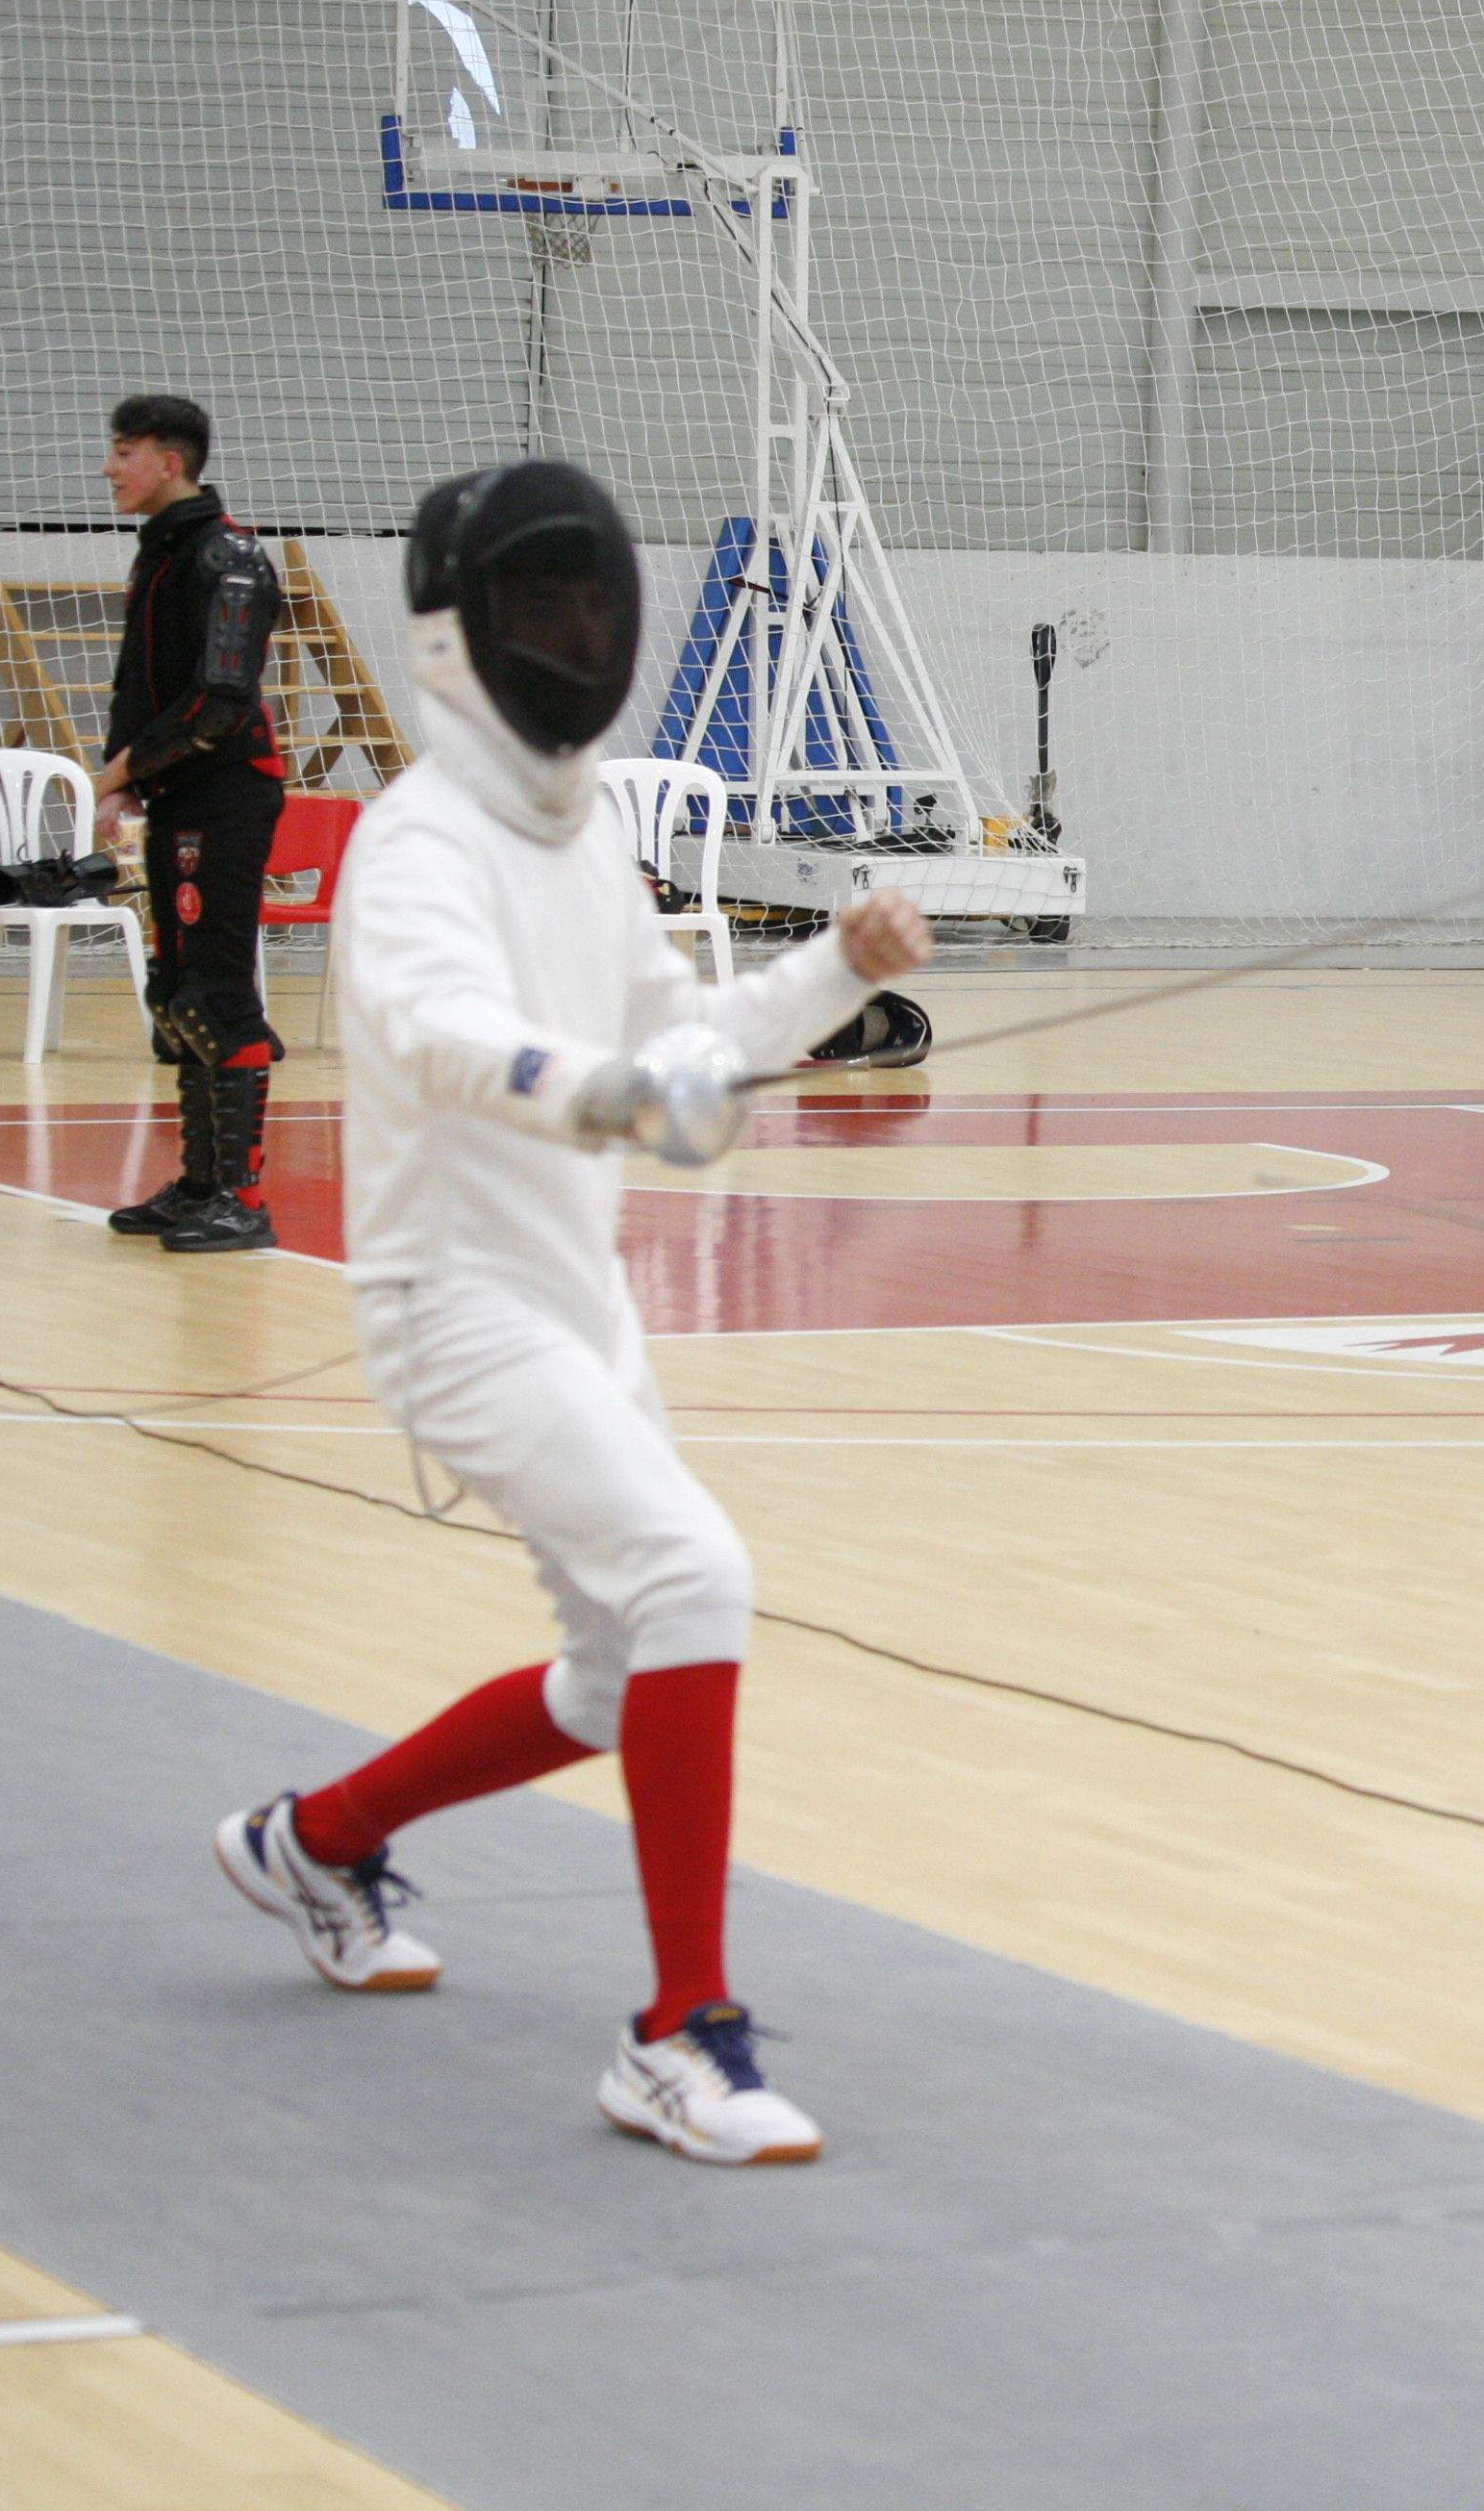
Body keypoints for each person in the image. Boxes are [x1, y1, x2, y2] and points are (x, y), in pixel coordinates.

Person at [212, 458, 933, 2166]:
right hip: (449, 1311)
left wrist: (839, 967)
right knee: (697, 1574)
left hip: (577, 1307)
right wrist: (617, 1092)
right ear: (460, 637)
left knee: (621, 1674)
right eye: (543, 609)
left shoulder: (588, 831)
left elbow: (680, 1038)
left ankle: (314, 1839)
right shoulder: (414, 844)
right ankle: (679, 2035)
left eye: (592, 605)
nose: (574, 636)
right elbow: (452, 1039)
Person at [87, 394, 287, 1254]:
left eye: (123, 451)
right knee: (174, 994)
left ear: (169, 461)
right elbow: (143, 682)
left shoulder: (229, 557)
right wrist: (127, 783)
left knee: (217, 992)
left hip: (227, 791)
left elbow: (219, 700)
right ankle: (197, 1182)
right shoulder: (161, 553)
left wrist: (122, 771)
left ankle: (239, 1199)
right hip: (178, 794)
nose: (109, 467)